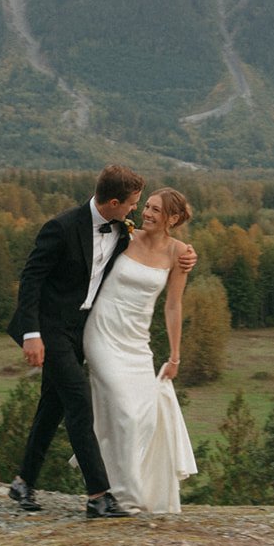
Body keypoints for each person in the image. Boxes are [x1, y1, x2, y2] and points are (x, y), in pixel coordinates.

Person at [4, 164, 194, 518]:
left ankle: (23, 481)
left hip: (86, 327)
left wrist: (185, 254)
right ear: (114, 202)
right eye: (135, 204)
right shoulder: (62, 227)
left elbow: (161, 259)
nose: (137, 210)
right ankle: (99, 495)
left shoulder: (123, 230)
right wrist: (32, 333)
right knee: (79, 400)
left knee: (52, 405)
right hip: (51, 329)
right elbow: (31, 279)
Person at [84, 187, 199, 513]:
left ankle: (127, 489)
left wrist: (174, 356)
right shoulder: (123, 236)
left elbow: (173, 306)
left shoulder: (180, 253)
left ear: (172, 219)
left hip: (137, 342)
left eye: (155, 210)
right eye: (146, 206)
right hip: (102, 331)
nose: (146, 213)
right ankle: (125, 498)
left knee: (145, 419)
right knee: (124, 411)